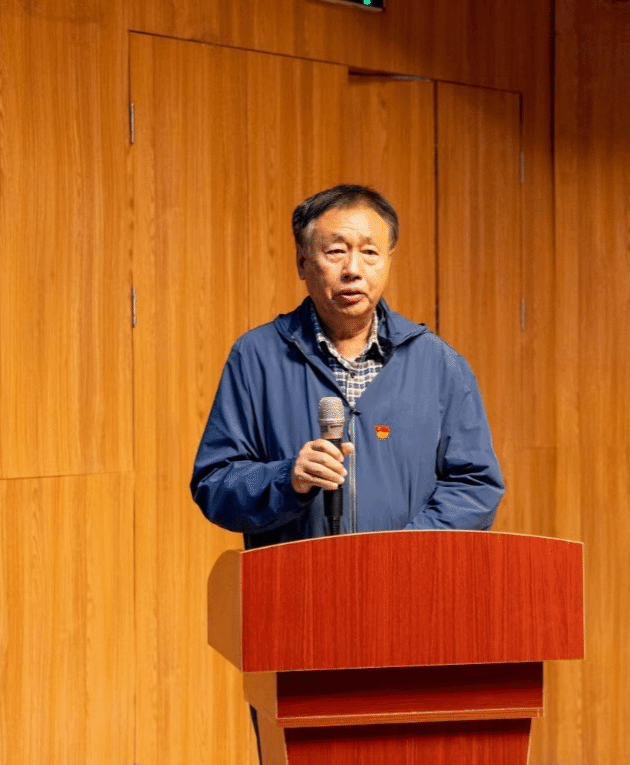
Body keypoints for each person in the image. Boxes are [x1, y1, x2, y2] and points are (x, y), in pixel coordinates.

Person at [190, 184, 504, 548]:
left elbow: (475, 485)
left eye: (370, 252)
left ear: (388, 261)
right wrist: (287, 478)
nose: (353, 269)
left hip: (406, 576)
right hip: (295, 578)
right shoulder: (256, 357)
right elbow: (215, 484)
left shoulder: (438, 363)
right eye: (336, 251)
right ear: (302, 262)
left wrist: (405, 550)